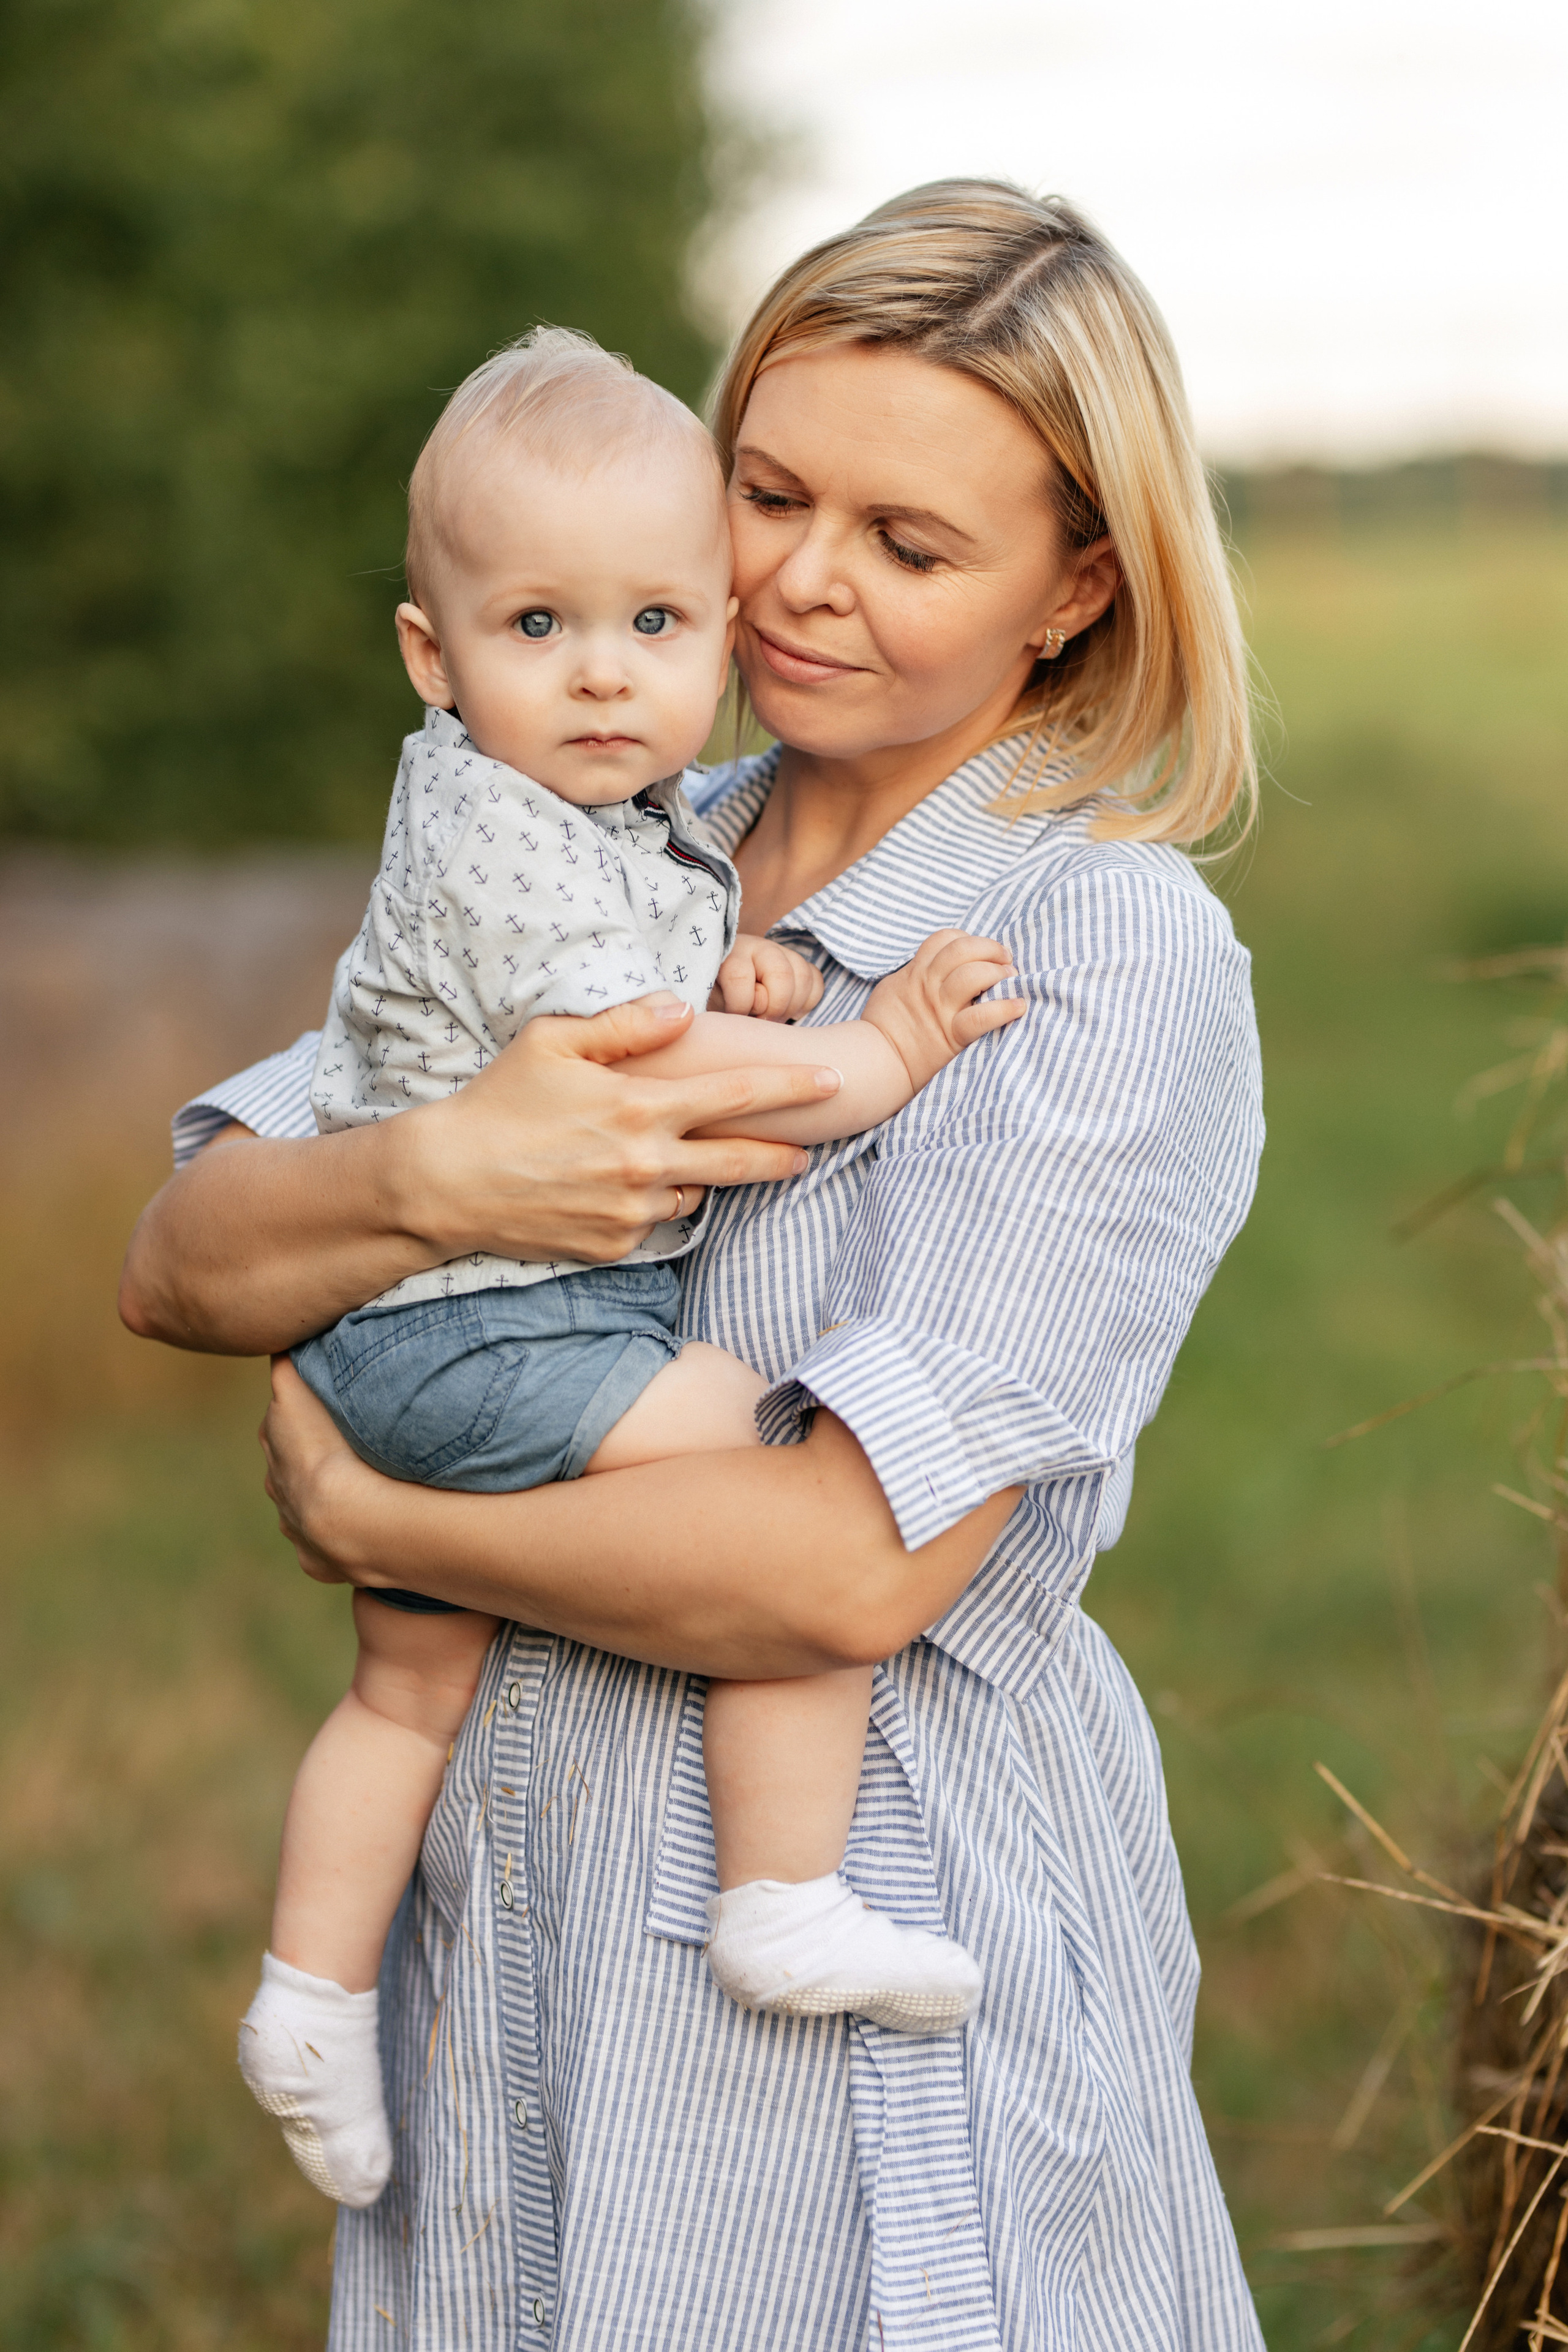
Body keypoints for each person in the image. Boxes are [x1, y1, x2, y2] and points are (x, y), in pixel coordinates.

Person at [121, 181, 1267, 2351]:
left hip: (859, 2022)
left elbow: (844, 1569)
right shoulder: (593, 826)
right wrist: (449, 1167)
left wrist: (382, 1511)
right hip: (515, 1964)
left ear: (1078, 588)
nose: (805, 583)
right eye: (768, 492)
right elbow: (187, 1257)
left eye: (914, 545)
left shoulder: (1100, 952)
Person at [241, 324, 1017, 2212]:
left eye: (660, 625)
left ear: (715, 630)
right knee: (790, 1476)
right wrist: (880, 1048)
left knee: (403, 1692)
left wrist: (723, 955)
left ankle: (306, 1995)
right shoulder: (499, 840)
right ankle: (780, 1892)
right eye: (539, 630)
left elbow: (657, 960)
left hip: (410, 1335)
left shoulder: (579, 819)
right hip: (505, 1331)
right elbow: (681, 1092)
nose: (606, 674)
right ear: (434, 658)